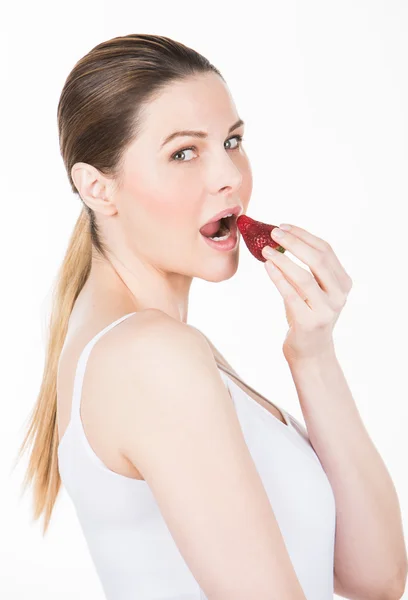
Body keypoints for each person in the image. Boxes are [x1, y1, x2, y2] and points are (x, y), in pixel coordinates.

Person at [16, 34, 337, 599]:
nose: (229, 177)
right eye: (184, 153)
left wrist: (313, 351)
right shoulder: (150, 355)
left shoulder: (174, 348)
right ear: (98, 187)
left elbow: (376, 575)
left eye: (232, 141)